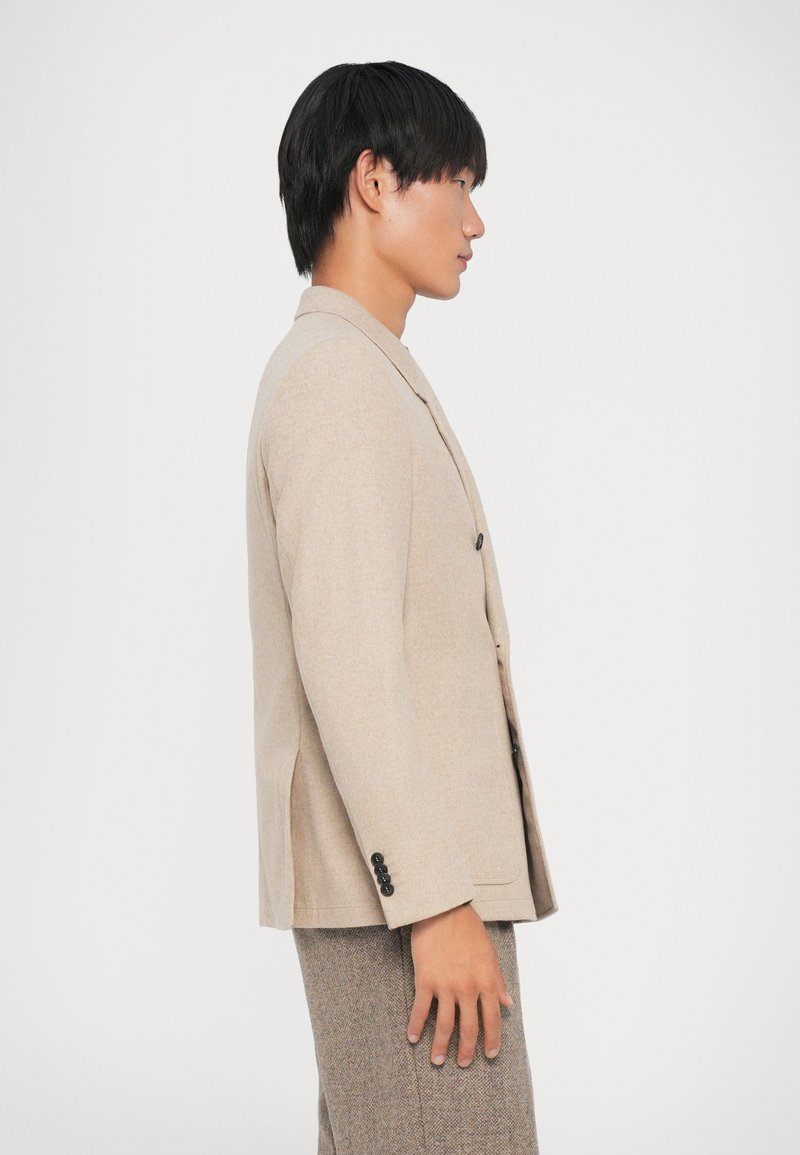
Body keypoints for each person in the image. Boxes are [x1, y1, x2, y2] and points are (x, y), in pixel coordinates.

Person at [245, 59, 559, 1154]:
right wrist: (432, 900)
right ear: (374, 181)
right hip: (406, 906)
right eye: (457, 183)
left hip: (414, 897)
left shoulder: (358, 368)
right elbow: (350, 665)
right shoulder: (336, 378)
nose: (475, 221)